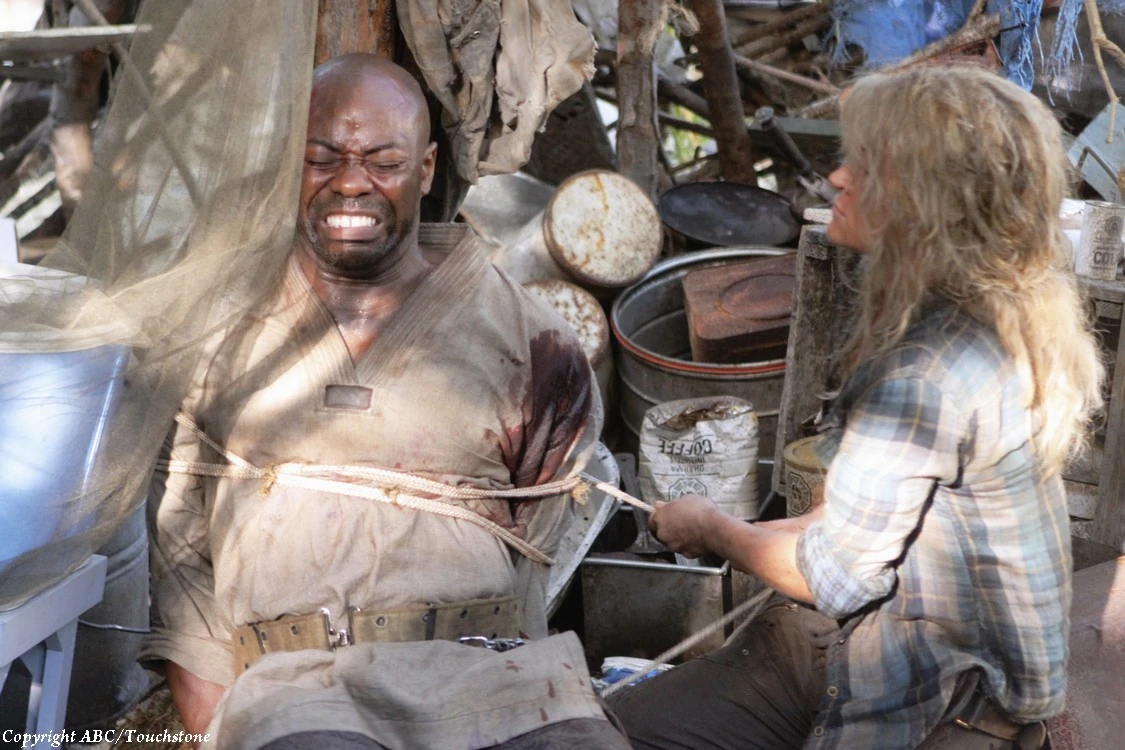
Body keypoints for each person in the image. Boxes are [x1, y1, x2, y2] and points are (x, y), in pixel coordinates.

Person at [608, 66, 1104, 749]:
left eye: (865, 167)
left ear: (923, 205)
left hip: (944, 704)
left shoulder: (924, 374)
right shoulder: (990, 317)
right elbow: (872, 522)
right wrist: (767, 529)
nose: (837, 178)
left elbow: (836, 580)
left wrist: (711, 528)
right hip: (916, 655)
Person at [141, 54, 628, 749]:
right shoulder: (218, 336)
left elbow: (541, 538)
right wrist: (217, 721)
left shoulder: (531, 341)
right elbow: (181, 554)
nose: (350, 183)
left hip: (487, 677)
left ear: (425, 170)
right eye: (321, 159)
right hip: (292, 688)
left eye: (384, 161)